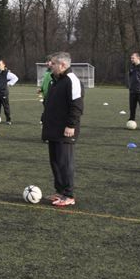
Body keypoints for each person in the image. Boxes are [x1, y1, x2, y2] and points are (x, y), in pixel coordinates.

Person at [41, 52, 84, 207]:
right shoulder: (55, 80)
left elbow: (77, 106)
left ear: (63, 65)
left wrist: (71, 125)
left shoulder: (72, 80)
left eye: (53, 63)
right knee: (55, 162)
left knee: (65, 163)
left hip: (65, 130)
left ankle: (68, 195)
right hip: (53, 128)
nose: (50, 65)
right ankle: (59, 191)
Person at [0, 59, 19, 124]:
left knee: (6, 106)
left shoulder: (7, 73)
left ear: (4, 65)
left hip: (4, 93)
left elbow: (15, 78)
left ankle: (8, 120)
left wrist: (9, 84)